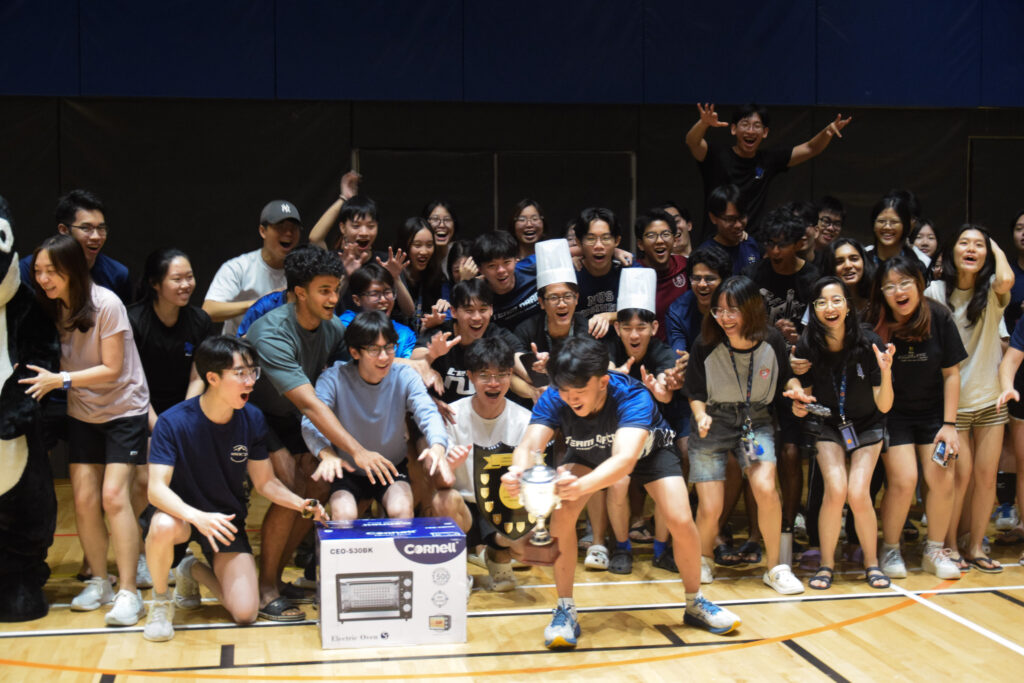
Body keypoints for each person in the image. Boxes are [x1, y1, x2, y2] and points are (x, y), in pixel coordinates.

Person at [502, 336, 741, 649]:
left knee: (681, 520)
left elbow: (624, 461)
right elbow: (528, 446)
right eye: (564, 391)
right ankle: (564, 608)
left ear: (602, 382)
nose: (570, 398)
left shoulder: (633, 395)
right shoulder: (556, 395)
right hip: (587, 451)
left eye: (578, 391)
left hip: (648, 452)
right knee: (563, 514)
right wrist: (519, 472)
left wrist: (579, 487)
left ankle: (695, 602)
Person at [141, 336, 327, 642]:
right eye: (240, 373)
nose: (250, 381)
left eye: (253, 371)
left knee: (245, 613)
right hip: (181, 517)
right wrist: (197, 517)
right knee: (161, 526)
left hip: (225, 521)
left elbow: (265, 482)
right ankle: (161, 602)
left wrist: (300, 504)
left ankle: (190, 569)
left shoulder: (252, 418)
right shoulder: (172, 423)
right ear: (212, 378)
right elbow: (156, 491)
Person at [21, 234, 150, 625]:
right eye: (38, 271)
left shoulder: (106, 304)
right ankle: (99, 581)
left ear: (73, 270)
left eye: (51, 271)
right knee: (83, 499)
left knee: (114, 497)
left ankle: (129, 592)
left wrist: (60, 380)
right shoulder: (49, 306)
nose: (43, 278)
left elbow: (112, 368)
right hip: (84, 413)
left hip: (123, 411)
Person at [683, 275, 804, 595]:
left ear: (751, 309)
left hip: (755, 420)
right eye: (718, 311)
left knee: (765, 488)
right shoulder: (705, 343)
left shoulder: (772, 340)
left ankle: (775, 568)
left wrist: (796, 392)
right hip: (713, 419)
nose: (724, 318)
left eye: (732, 310)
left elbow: (787, 378)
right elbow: (695, 392)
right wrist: (701, 415)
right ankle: (703, 558)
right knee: (711, 504)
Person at [786, 277, 900, 589]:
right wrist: (799, 401)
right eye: (821, 302)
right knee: (835, 490)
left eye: (836, 300)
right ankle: (826, 565)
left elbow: (884, 405)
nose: (830, 307)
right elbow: (803, 392)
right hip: (828, 424)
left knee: (858, 492)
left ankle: (872, 564)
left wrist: (886, 372)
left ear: (848, 306)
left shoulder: (869, 342)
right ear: (813, 309)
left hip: (868, 424)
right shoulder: (809, 344)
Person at [867, 255, 966, 577]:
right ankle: (890, 548)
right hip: (892, 414)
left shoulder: (939, 317)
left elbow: (952, 374)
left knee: (942, 477)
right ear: (882, 293)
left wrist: (949, 425)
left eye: (905, 283)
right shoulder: (877, 323)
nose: (898, 291)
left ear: (919, 285)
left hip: (934, 414)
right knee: (904, 480)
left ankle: (934, 550)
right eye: (890, 286)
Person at [301, 311, 450, 522]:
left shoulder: (405, 375)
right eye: (374, 349)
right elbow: (311, 421)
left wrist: (438, 445)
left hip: (391, 467)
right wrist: (326, 454)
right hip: (347, 469)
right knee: (344, 514)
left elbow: (427, 411)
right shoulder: (333, 378)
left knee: (401, 510)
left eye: (389, 347)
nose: (384, 357)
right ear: (354, 352)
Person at [925, 225, 1014, 573]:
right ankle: (948, 544)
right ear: (951, 251)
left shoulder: (991, 290)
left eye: (979, 245)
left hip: (990, 399)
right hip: (954, 404)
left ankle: (975, 545)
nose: (972, 249)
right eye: (964, 243)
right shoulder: (935, 291)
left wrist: (994, 246)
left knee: (986, 478)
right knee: (958, 480)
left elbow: (1006, 278)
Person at [128, 247, 213, 586]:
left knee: (188, 476)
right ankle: (138, 554)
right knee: (143, 480)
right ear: (155, 283)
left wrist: (182, 420)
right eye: (177, 279)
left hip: (184, 410)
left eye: (189, 277)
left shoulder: (199, 321)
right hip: (140, 408)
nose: (186, 284)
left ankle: (179, 550)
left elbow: (198, 375)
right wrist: (159, 427)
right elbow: (134, 382)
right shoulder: (134, 320)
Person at [429, 337, 532, 592]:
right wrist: (450, 466)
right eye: (485, 375)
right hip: (464, 508)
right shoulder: (451, 416)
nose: (494, 383)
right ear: (471, 377)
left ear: (511, 375)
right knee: (442, 499)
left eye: (501, 374)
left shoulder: (525, 420)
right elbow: (438, 483)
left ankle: (498, 557)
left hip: (503, 505)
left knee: (528, 536)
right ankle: (456, 572)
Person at [685, 103, 851, 234]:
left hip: (750, 243)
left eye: (757, 125)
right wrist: (703, 123)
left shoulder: (768, 160)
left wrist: (827, 132)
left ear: (765, 132)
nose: (751, 131)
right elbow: (692, 142)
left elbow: (810, 148)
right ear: (734, 129)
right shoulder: (716, 155)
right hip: (715, 241)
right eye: (745, 124)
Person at [412, 278, 527, 406]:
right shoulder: (441, 334)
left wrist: (536, 368)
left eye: (483, 310)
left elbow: (521, 360)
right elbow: (413, 362)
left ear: (491, 310)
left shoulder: (499, 335)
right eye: (469, 311)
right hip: (446, 413)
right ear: (454, 312)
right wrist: (432, 356)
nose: (477, 317)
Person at [202, 200, 303, 336]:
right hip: (238, 346)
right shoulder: (239, 267)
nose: (289, 233)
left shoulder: (302, 270)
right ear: (263, 231)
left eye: (293, 228)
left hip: (284, 345)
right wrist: (260, 304)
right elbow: (209, 310)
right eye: (281, 227)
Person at [19, 189, 131, 303]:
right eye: (86, 228)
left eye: (101, 228)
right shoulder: (28, 269)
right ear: (64, 230)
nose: (96, 237)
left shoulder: (117, 274)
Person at [340, 263, 418, 358]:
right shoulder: (344, 325)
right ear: (357, 300)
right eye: (374, 294)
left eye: (387, 292)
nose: (383, 300)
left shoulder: (405, 333)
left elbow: (409, 364)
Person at [635, 209, 689, 340]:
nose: (659, 241)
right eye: (651, 235)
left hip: (682, 347)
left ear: (674, 240)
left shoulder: (686, 266)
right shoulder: (633, 272)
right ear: (640, 244)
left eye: (665, 234)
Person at [471, 231, 539, 331]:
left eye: (506, 262)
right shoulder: (477, 296)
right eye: (492, 266)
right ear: (480, 269)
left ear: (516, 260)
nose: (501, 270)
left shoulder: (534, 267)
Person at [575, 207, 625, 331]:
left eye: (606, 238)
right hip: (579, 341)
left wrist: (609, 316)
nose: (599, 246)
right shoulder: (570, 275)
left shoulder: (627, 270)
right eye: (591, 239)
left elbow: (640, 311)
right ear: (579, 242)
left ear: (617, 241)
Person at [396, 217, 448, 332]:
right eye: (417, 245)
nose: (424, 251)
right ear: (405, 246)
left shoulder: (435, 275)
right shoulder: (393, 275)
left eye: (429, 245)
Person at [697, 185, 762, 276]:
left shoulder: (750, 244)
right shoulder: (704, 254)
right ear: (713, 218)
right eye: (730, 219)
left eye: (742, 217)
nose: (738, 225)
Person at [821, 238, 875, 314]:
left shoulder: (877, 298)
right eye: (839, 262)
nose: (848, 265)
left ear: (864, 261)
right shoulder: (821, 301)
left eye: (854, 259)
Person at [423, 200, 460, 279]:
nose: (442, 225)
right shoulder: (419, 254)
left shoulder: (462, 253)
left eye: (447, 220)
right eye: (435, 219)